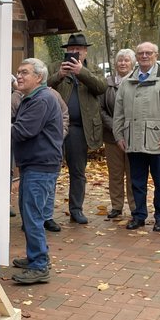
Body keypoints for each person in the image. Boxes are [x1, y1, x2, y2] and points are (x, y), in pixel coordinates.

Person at [113, 41, 160, 232]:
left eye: (148, 53)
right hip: (133, 140)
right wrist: (119, 135)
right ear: (136, 56)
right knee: (137, 182)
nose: (144, 56)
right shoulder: (127, 81)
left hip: (158, 140)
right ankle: (139, 216)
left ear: (156, 55)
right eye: (141, 53)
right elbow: (119, 112)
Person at [11, 58, 64, 285]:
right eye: (18, 72)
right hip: (34, 165)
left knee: (33, 217)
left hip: (40, 166)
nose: (19, 76)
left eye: (24, 72)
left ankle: (40, 265)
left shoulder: (41, 99)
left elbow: (23, 130)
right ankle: (36, 256)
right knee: (29, 215)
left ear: (39, 77)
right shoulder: (32, 98)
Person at [47, 33, 106, 225]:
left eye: (78, 49)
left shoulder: (93, 69)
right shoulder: (55, 67)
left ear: (85, 51)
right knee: (50, 171)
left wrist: (82, 72)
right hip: (54, 128)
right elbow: (42, 86)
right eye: (71, 49)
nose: (74, 52)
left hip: (79, 129)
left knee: (78, 172)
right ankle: (46, 213)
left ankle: (76, 210)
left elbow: (101, 88)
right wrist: (59, 75)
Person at [100, 49, 136, 219]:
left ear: (132, 63)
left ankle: (135, 206)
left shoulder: (138, 82)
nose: (122, 63)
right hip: (111, 136)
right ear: (115, 64)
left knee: (133, 173)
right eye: (120, 60)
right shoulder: (106, 84)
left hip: (133, 135)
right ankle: (116, 206)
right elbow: (100, 109)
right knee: (115, 173)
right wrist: (115, 127)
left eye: (126, 60)